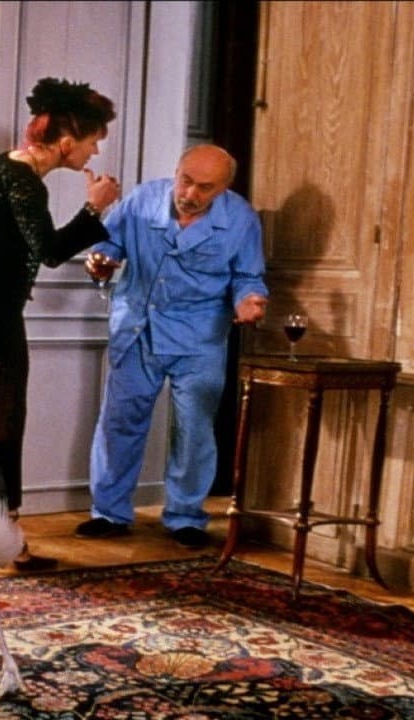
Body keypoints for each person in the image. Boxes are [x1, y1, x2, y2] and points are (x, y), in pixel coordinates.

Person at [0, 77, 122, 571]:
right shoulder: (22, 181)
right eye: (93, 140)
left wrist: (2, 268)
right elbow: (51, 251)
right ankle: (6, 544)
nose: (96, 151)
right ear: (67, 141)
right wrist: (94, 207)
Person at [76, 144, 269, 549]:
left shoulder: (241, 219)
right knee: (119, 423)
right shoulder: (143, 199)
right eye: (186, 181)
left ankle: (186, 516)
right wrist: (101, 262)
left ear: (224, 189)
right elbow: (108, 246)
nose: (190, 194)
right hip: (138, 328)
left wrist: (250, 301)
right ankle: (108, 513)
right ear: (176, 172)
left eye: (205, 188)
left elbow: (248, 277)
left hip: (199, 336)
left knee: (194, 429)